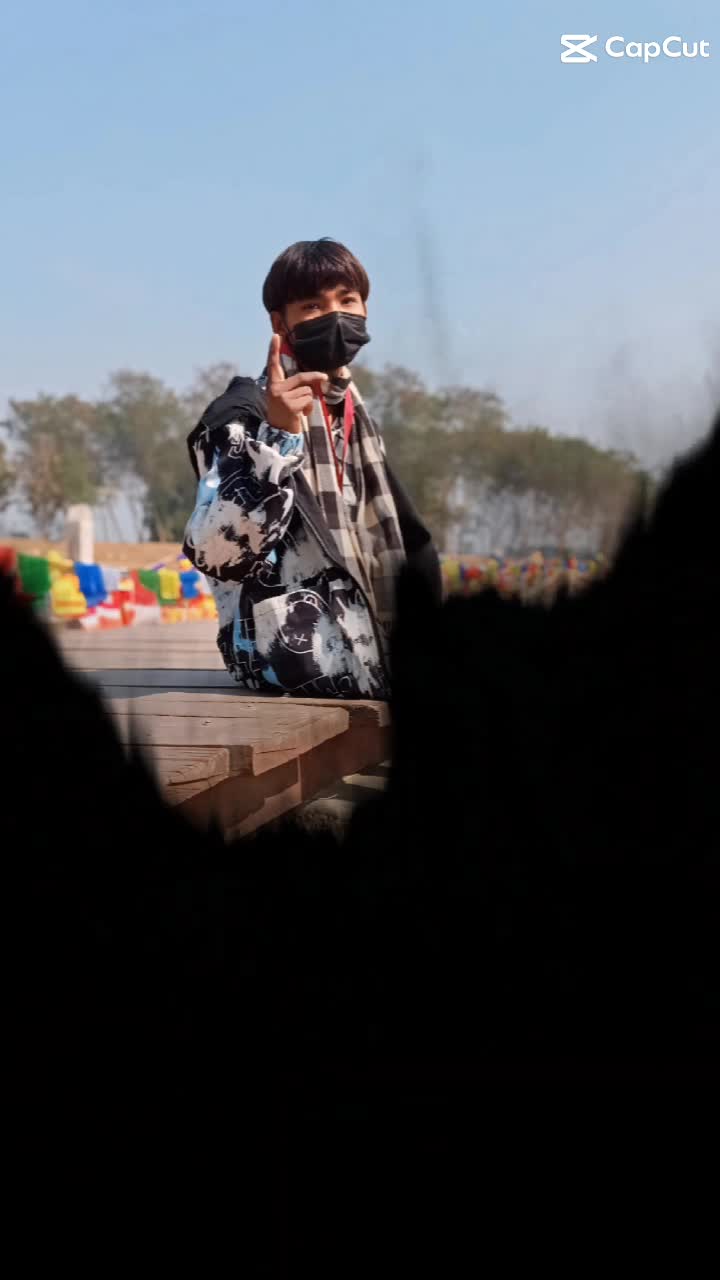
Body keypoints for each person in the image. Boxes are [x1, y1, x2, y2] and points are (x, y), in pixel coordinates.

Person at [183, 237, 441, 699]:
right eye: (312, 306)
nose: (335, 316)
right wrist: (277, 439)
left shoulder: (354, 414)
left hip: (368, 653)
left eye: (347, 300)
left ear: (365, 310)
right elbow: (215, 553)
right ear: (279, 323)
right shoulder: (239, 414)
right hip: (289, 663)